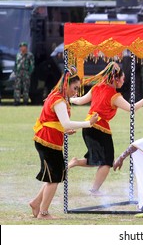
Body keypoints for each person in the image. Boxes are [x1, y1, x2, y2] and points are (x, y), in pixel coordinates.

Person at [68, 62, 143, 195]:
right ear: (116, 78)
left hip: (88, 127)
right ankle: (94, 190)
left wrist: (69, 99)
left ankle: (76, 162)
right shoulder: (115, 96)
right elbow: (132, 109)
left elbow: (80, 100)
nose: (123, 81)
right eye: (122, 78)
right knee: (107, 161)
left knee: (98, 158)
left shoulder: (96, 87)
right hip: (100, 128)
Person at [29, 66, 99, 219]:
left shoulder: (58, 97)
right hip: (47, 141)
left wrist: (64, 130)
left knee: (53, 176)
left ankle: (36, 203)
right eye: (75, 88)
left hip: (49, 140)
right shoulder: (58, 99)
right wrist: (88, 124)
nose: (76, 92)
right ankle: (43, 212)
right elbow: (66, 123)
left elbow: (58, 123)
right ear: (66, 84)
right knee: (54, 178)